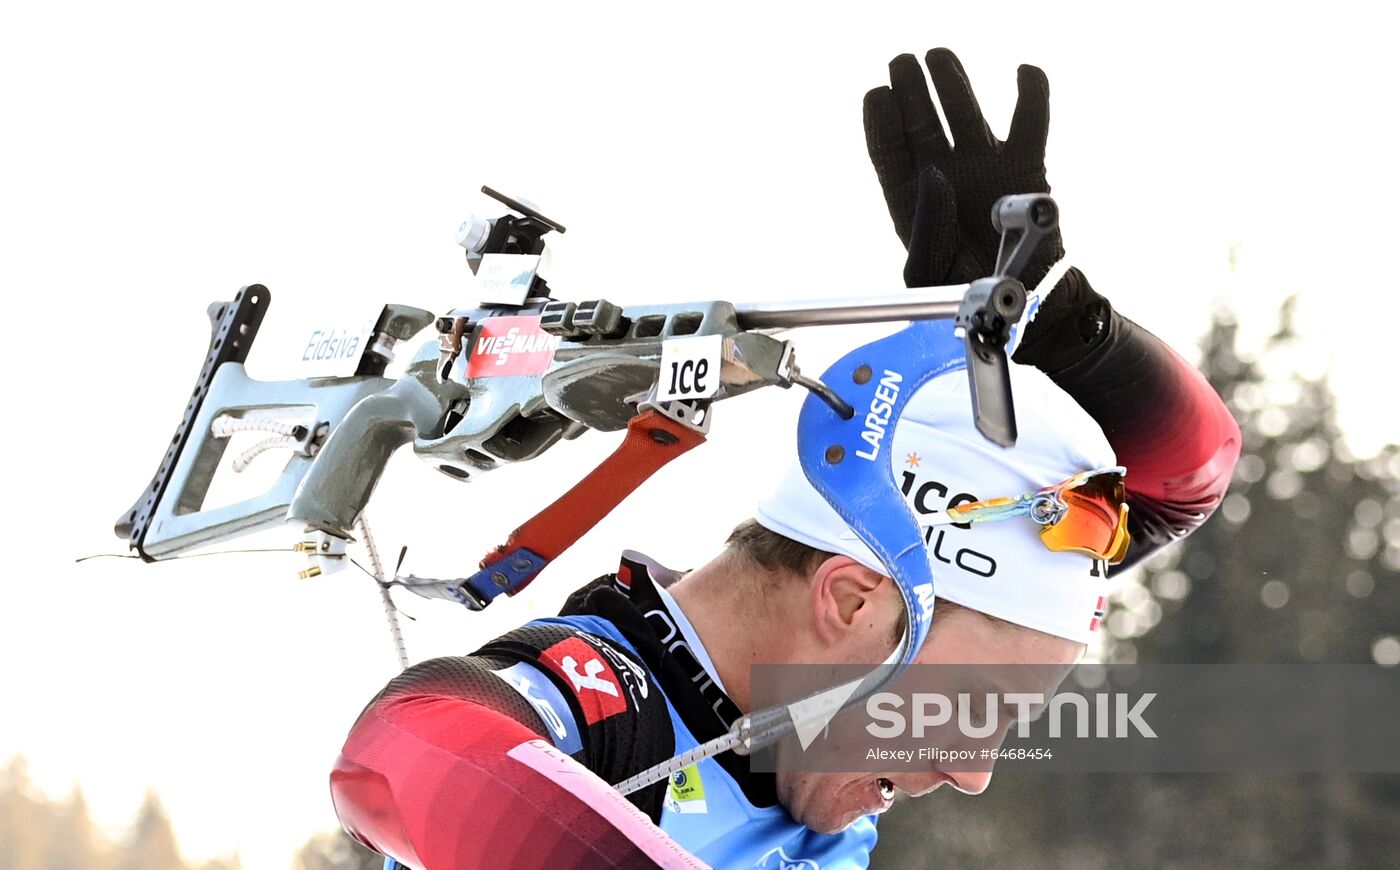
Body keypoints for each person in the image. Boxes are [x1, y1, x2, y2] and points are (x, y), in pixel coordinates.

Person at [328, 48, 1241, 869]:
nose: (971, 772)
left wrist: (1043, 316)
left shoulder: (807, 756)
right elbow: (399, 753)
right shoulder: (615, 713)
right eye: (978, 708)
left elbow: (1185, 473)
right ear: (851, 600)